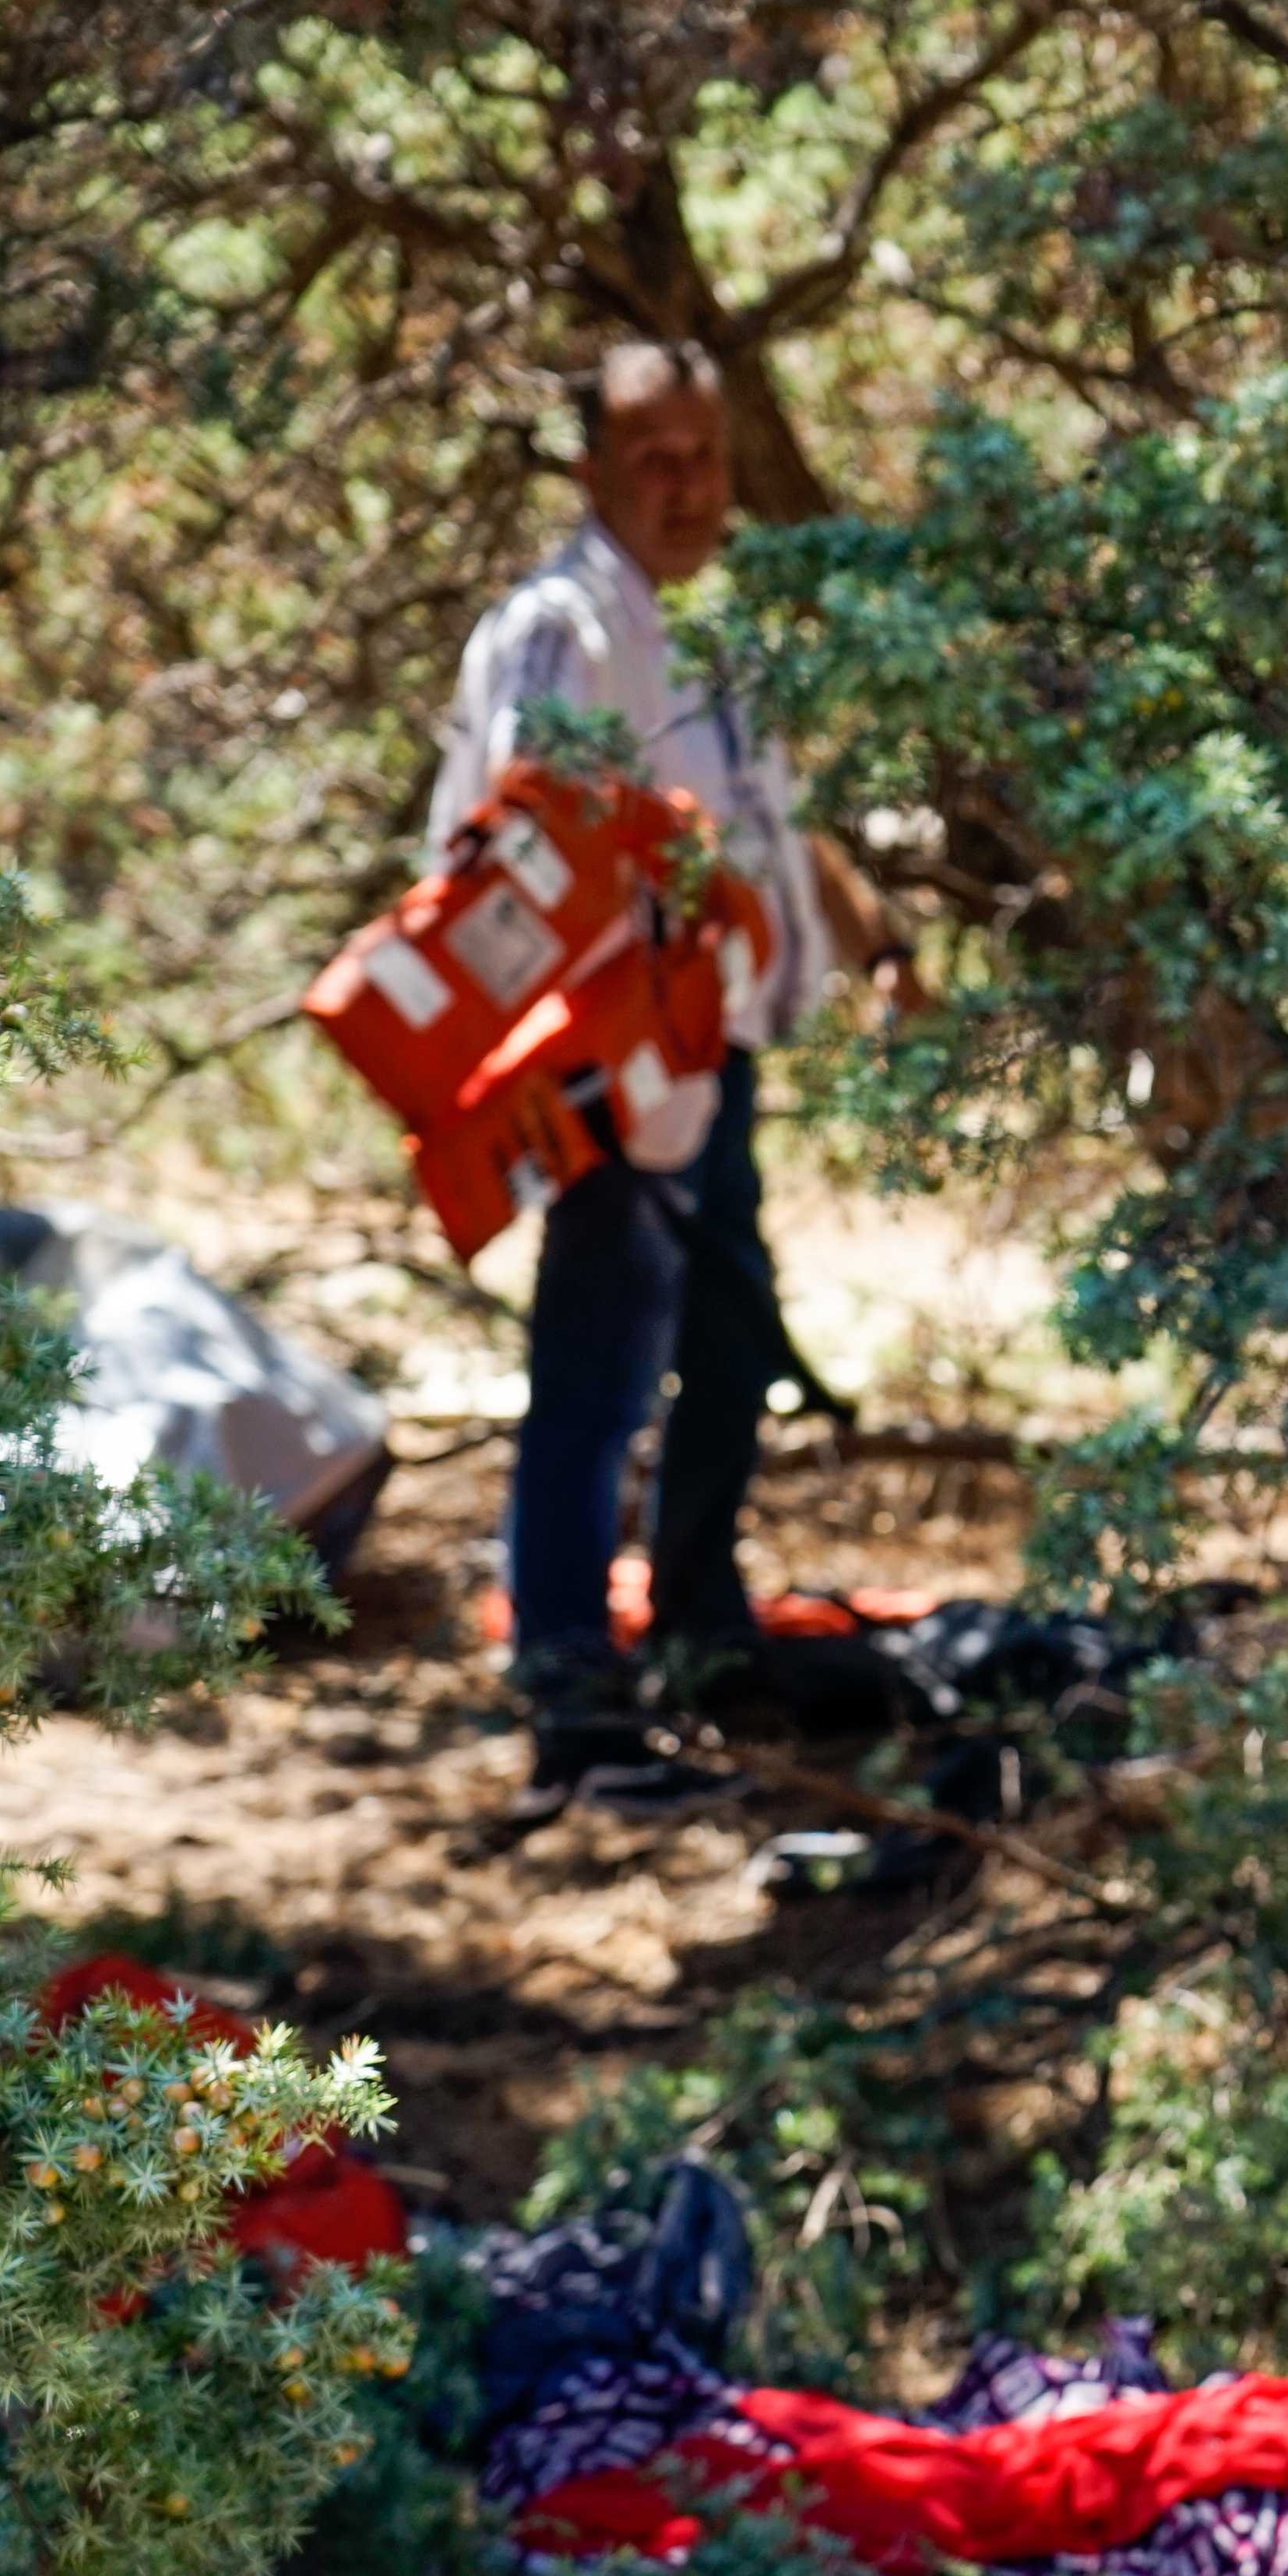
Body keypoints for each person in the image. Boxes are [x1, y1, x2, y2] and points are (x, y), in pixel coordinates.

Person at [426, 339, 905, 1817]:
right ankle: (573, 1701)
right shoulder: (561, 628)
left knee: (730, 1343)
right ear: (593, 468)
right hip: (616, 1070)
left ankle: (700, 1638)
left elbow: (761, 822)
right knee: (600, 1369)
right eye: (654, 457)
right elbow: (531, 842)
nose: (686, 483)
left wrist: (865, 935)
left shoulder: (695, 633)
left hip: (719, 1057)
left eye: (703, 455)